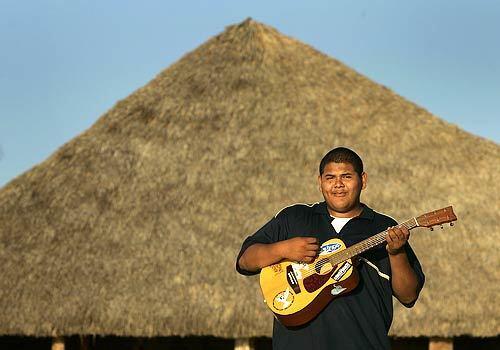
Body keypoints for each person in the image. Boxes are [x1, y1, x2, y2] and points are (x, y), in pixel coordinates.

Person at [236, 147, 425, 350]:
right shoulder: (294, 218)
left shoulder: (383, 227)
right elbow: (245, 261)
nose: (338, 185)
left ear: (363, 180)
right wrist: (283, 249)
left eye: (346, 176)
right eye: (330, 177)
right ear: (320, 182)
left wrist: (396, 253)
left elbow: (408, 295)